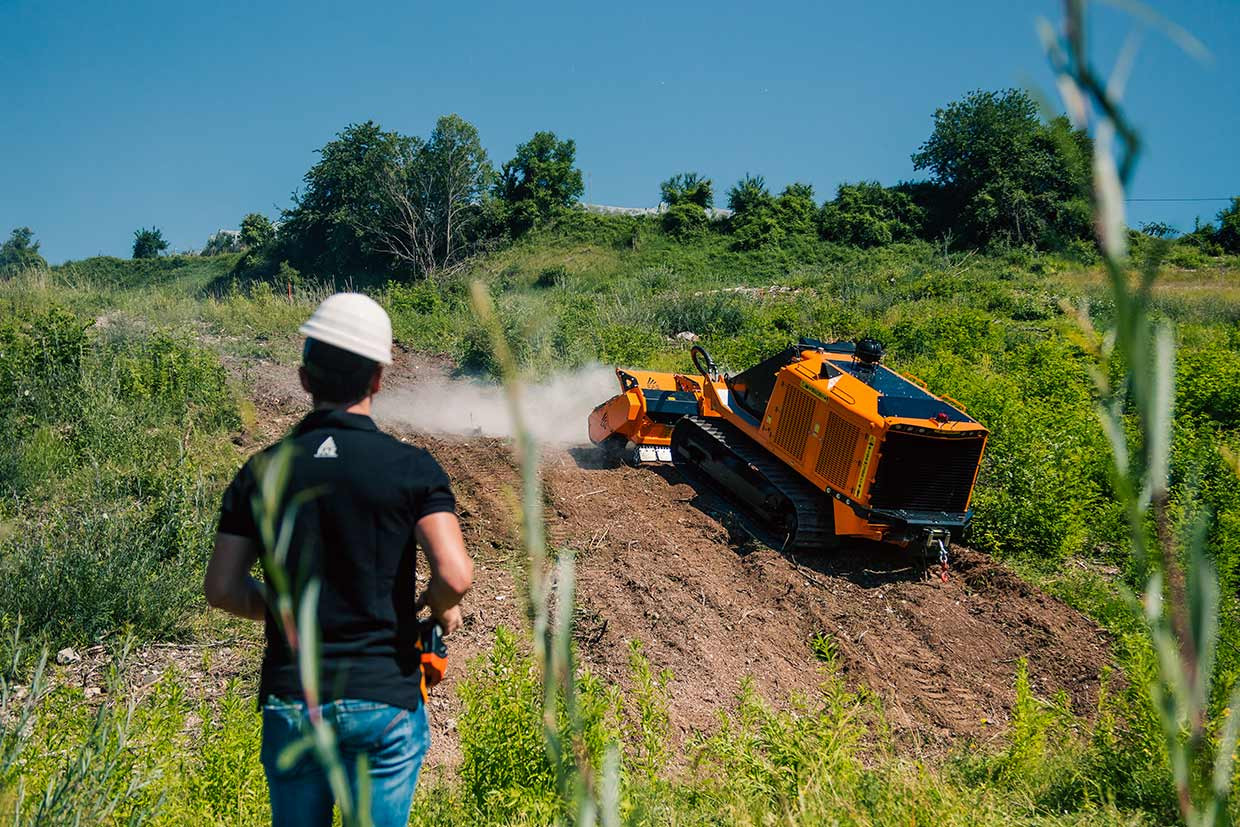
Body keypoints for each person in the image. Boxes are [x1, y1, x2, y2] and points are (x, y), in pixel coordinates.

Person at [204, 292, 472, 827]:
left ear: (305, 379)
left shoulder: (260, 472)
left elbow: (224, 589)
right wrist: (440, 607)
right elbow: (454, 575)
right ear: (378, 378)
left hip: (293, 700)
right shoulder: (412, 468)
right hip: (381, 697)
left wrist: (284, 606)